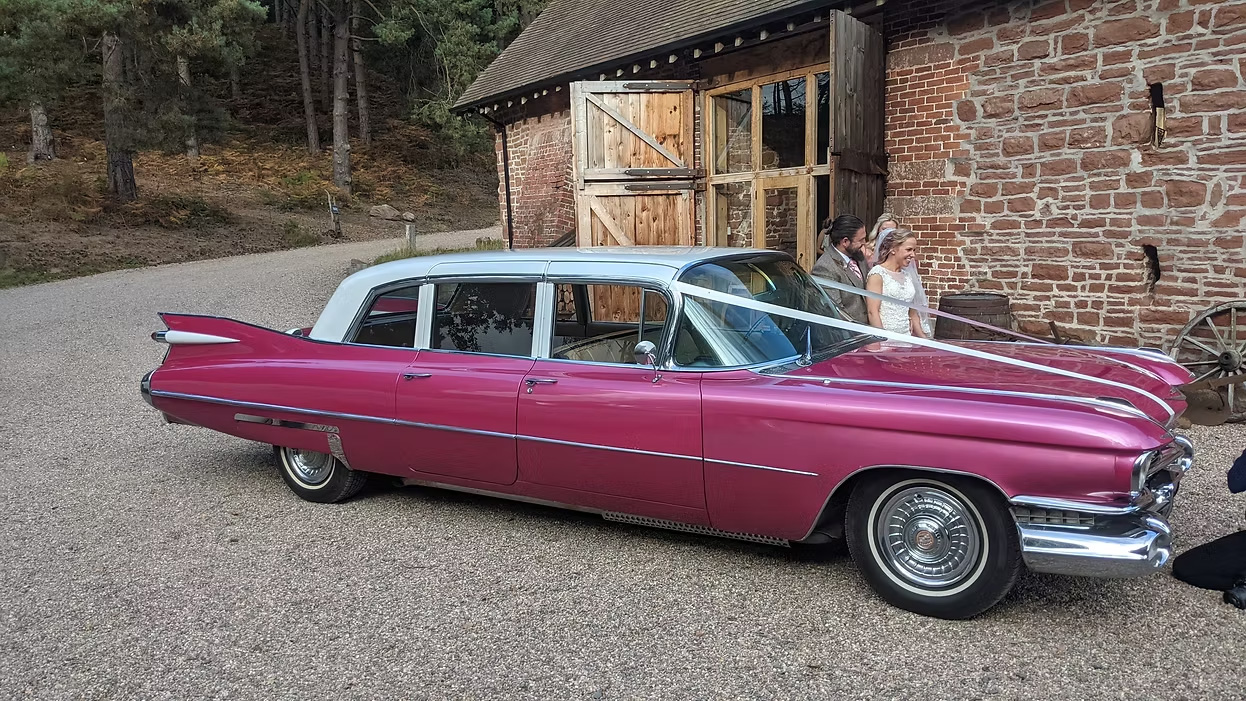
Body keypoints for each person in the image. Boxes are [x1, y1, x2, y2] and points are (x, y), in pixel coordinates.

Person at [865, 228, 930, 338]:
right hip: (886, 337)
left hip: (906, 337)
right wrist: (882, 340)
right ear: (893, 249)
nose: (913, 255)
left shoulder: (907, 276)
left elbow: (912, 314)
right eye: (909, 249)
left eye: (914, 250)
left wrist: (924, 340)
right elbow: (872, 312)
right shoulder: (877, 274)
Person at [810, 214, 870, 325]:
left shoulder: (859, 256)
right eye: (861, 240)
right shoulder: (825, 268)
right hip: (850, 330)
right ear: (845, 241)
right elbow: (835, 311)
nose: (864, 243)